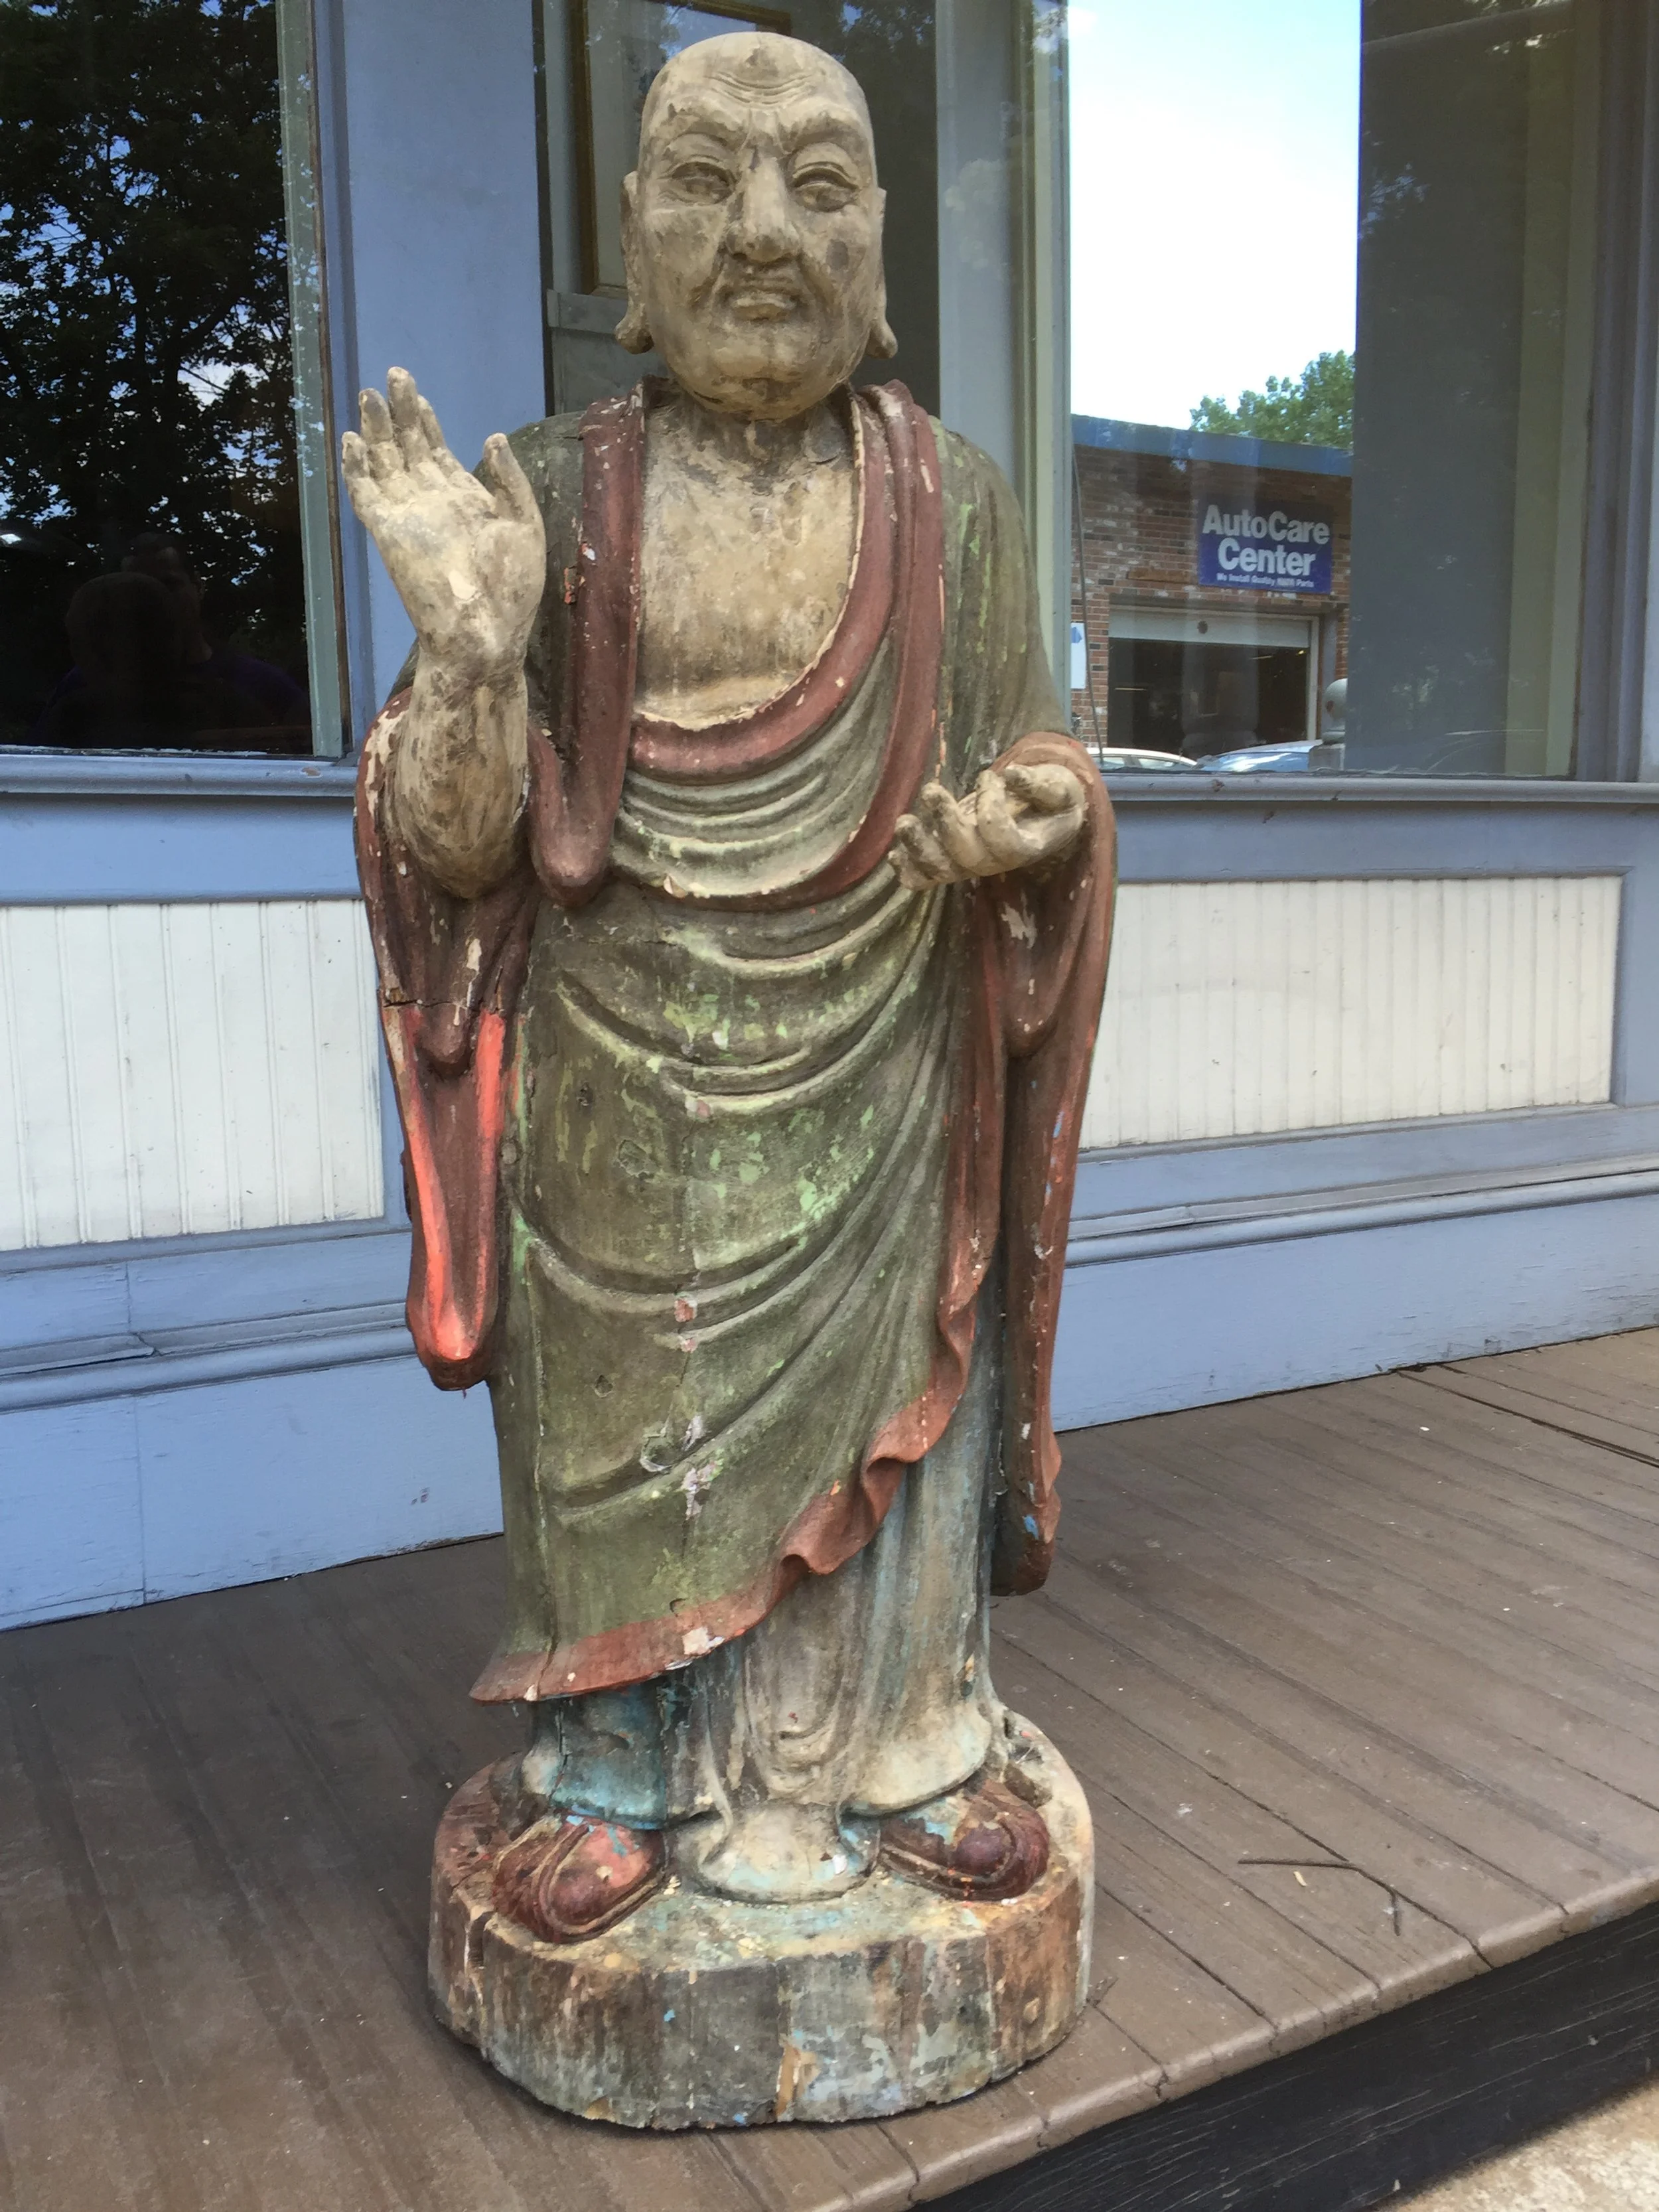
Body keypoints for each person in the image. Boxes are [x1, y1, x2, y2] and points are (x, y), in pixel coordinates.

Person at [348, 31, 1115, 1944]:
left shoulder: (956, 495)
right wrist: (462, 659)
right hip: (617, 1105)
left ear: (877, 248)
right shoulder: (544, 493)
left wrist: (1032, 820)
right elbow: (454, 856)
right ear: (628, 235)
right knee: (623, 1422)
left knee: (903, 1418)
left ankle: (904, 1747)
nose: (761, 230)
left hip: (885, 1064)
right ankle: (619, 1758)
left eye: (820, 183)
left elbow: (1038, 751)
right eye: (704, 178)